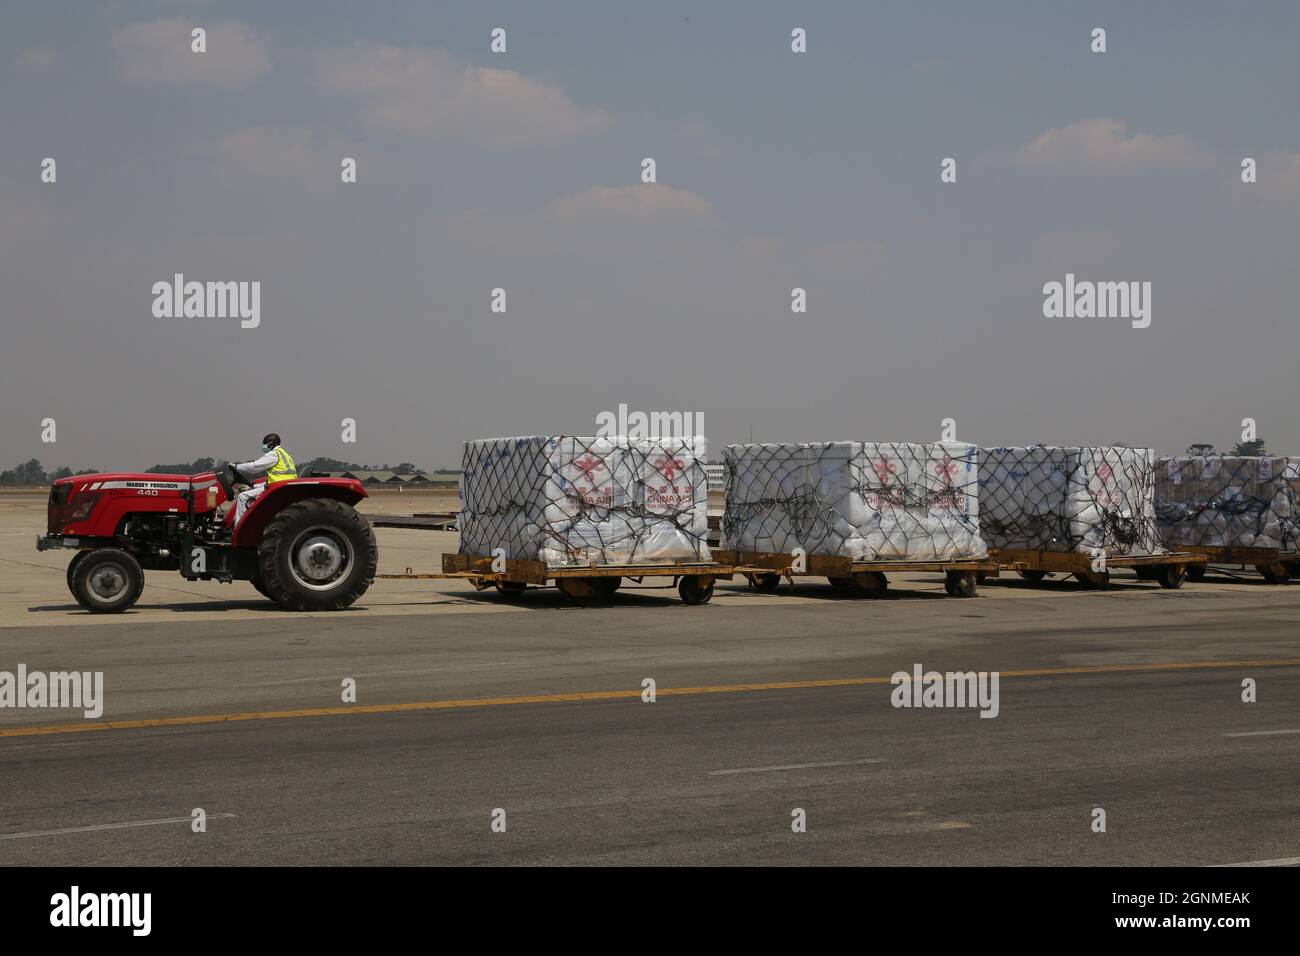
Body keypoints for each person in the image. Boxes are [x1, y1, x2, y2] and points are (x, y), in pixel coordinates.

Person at [231, 433, 297, 526]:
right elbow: (275, 478)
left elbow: (254, 466)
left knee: (243, 497)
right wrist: (253, 486)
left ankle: (237, 529)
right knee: (249, 492)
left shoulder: (274, 454)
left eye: (265, 443)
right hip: (282, 485)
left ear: (271, 443)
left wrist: (236, 467)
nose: (263, 446)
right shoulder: (285, 454)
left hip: (277, 488)